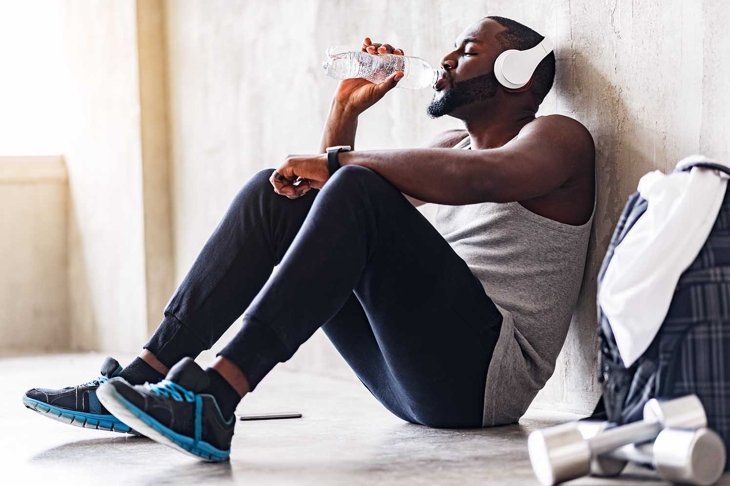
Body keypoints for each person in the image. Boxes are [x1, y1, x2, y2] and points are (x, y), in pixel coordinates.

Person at [23, 16, 595, 462]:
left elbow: (481, 179)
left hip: (482, 384)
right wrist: (343, 112)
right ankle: (146, 374)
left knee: (359, 185)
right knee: (277, 195)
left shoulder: (557, 138)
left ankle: (217, 394)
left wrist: (337, 160)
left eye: (468, 51)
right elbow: (327, 203)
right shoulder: (451, 146)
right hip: (412, 381)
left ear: (518, 73)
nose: (446, 58)